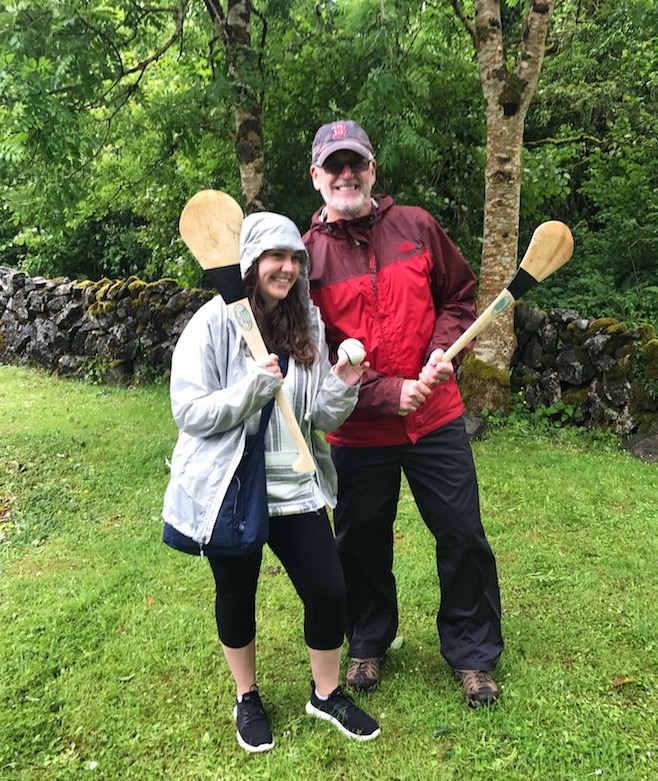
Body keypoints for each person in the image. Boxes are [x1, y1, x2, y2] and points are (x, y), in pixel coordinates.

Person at [302, 120, 504, 708]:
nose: (346, 175)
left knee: (462, 532)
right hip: (358, 429)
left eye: (355, 164)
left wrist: (443, 348)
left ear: (372, 169)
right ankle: (366, 639)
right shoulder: (306, 258)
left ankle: (473, 652)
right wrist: (388, 393)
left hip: (435, 416)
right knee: (361, 540)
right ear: (316, 177)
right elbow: (311, 356)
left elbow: (459, 296)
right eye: (333, 166)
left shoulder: (415, 225)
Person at [162, 211, 381, 752]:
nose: (285, 268)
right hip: (233, 488)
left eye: (293, 259)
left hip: (295, 486)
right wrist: (252, 391)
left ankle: (326, 694)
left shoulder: (305, 321)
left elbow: (320, 417)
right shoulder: (213, 323)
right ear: (251, 263)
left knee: (329, 591)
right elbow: (189, 412)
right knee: (236, 593)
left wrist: (345, 383)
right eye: (275, 258)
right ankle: (247, 695)